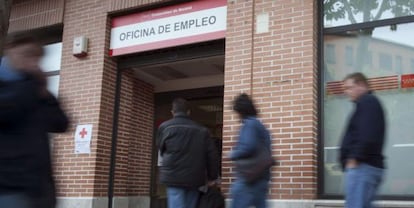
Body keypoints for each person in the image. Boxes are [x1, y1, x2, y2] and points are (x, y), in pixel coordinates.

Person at [0, 33, 69, 208]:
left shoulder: (36, 90)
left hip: (41, 189)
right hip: (9, 189)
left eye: (37, 57)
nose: (33, 62)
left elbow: (61, 123)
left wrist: (46, 94)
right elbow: (8, 112)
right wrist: (30, 87)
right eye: (27, 54)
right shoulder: (17, 88)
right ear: (10, 52)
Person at [157, 98, 219, 208]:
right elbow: (211, 155)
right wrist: (212, 177)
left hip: (173, 176)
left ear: (172, 112)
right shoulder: (202, 130)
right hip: (194, 178)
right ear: (188, 112)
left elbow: (161, 148)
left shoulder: (165, 127)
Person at [339, 72, 386, 208]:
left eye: (349, 87)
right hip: (365, 166)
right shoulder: (368, 103)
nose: (347, 92)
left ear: (361, 85)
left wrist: (354, 158)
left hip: (362, 167)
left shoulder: (367, 102)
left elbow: (367, 133)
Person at [229, 93, 272, 208]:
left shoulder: (249, 124)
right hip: (261, 176)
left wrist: (232, 154)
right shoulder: (261, 126)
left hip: (248, 177)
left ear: (241, 111)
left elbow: (247, 147)